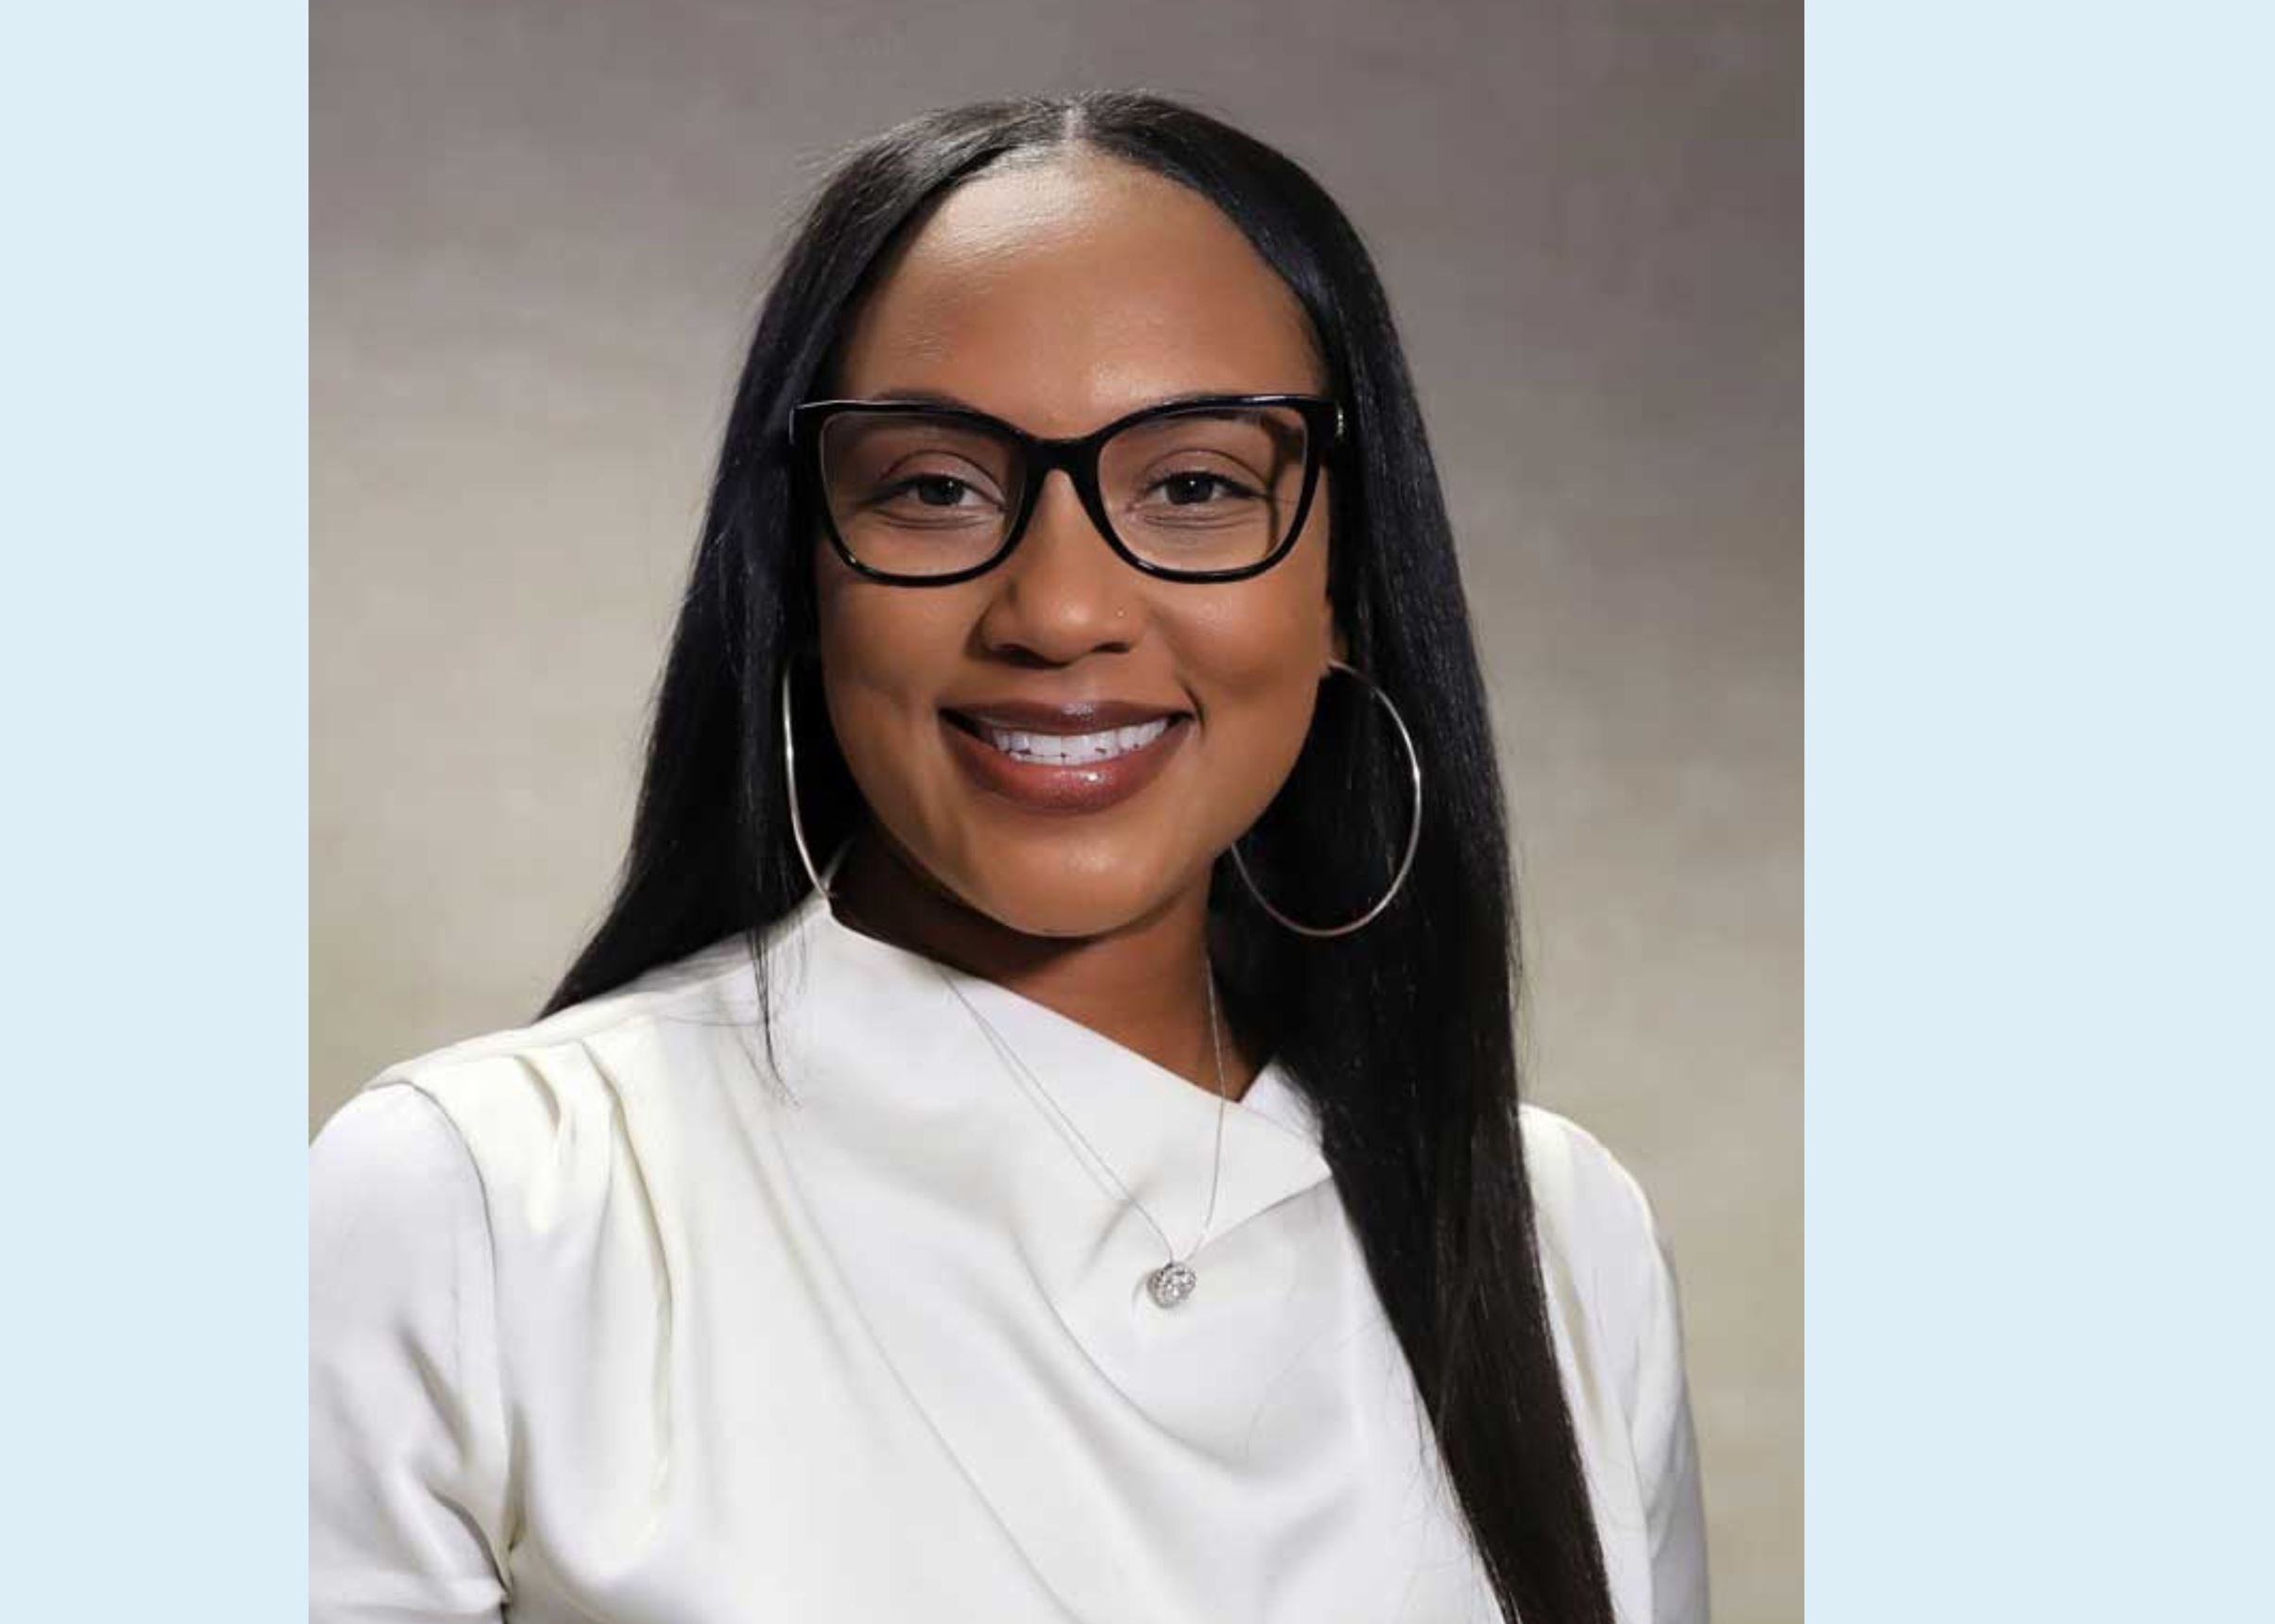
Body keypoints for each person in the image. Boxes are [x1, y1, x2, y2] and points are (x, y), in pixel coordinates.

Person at [310, 91, 1710, 1624]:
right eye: (936, 487)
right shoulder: (484, 1205)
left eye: (1195, 485)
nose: (1059, 610)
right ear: (801, 575)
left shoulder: (1560, 1238)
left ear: (1344, 584)